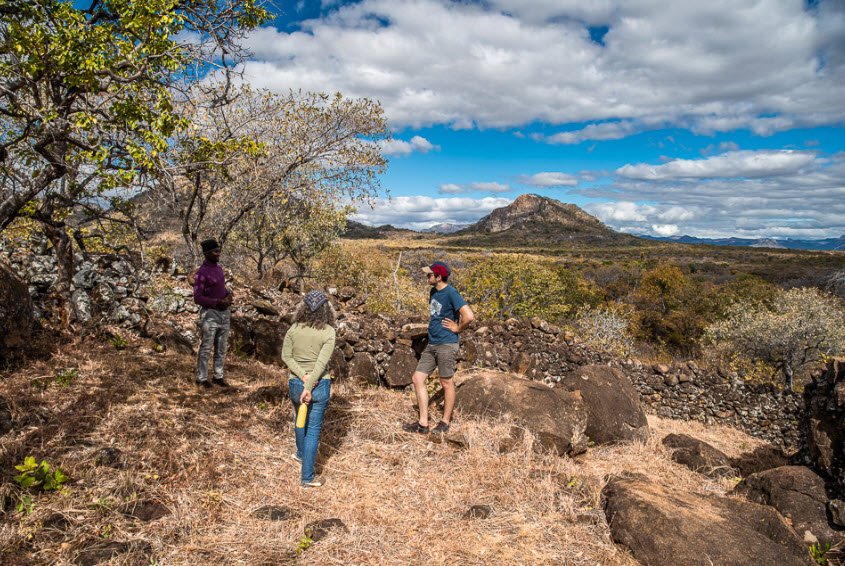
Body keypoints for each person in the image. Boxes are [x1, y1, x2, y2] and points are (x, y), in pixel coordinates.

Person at [404, 261, 474, 434]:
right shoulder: (433, 291)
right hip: (433, 343)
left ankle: (445, 422)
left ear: (439, 277)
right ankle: (423, 424)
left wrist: (458, 328)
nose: (427, 277)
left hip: (446, 343)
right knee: (417, 379)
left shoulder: (451, 293)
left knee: (446, 382)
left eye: (430, 275)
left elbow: (469, 316)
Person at [282, 290, 337, 488]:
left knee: (299, 420)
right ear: (326, 310)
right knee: (313, 431)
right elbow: (321, 364)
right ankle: (307, 478)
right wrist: (310, 383)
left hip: (295, 382)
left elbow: (286, 357)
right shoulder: (329, 332)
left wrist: (302, 377)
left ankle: (300, 453)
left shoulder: (293, 329)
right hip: (319, 384)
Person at [193, 238, 233, 388]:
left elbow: (221, 288)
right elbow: (198, 298)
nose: (218, 254)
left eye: (219, 251)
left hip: (224, 313)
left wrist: (228, 295)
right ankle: (201, 378)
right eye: (215, 252)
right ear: (207, 253)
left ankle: (218, 376)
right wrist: (217, 302)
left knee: (221, 347)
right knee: (206, 347)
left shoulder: (219, 269)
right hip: (210, 314)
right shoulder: (201, 273)